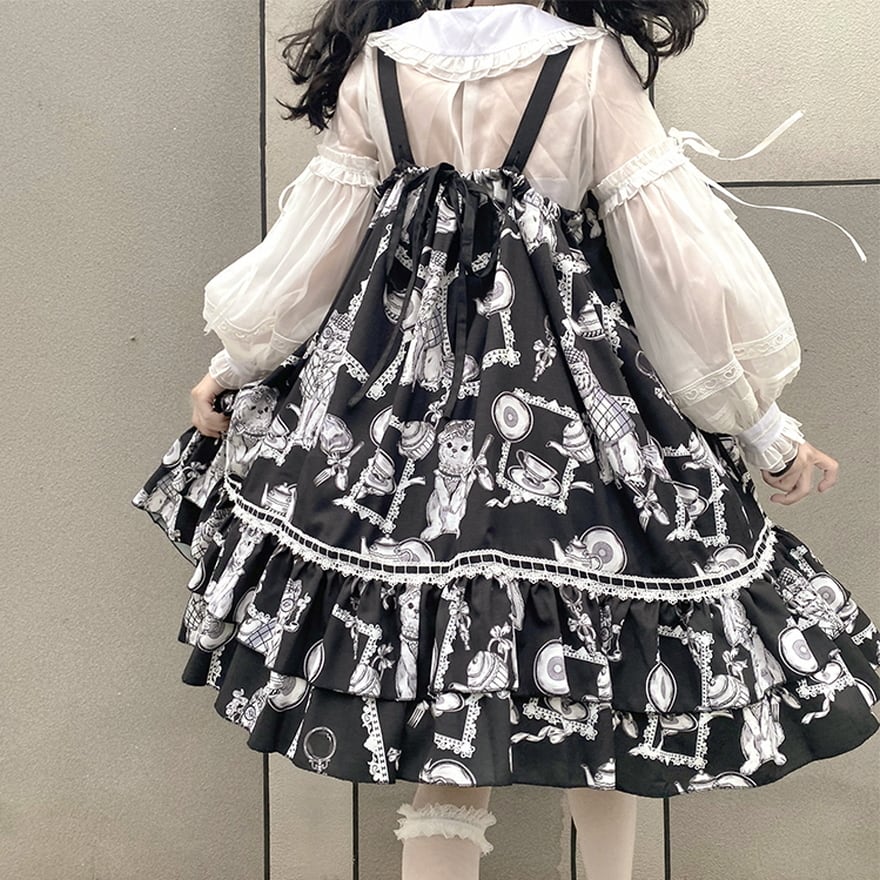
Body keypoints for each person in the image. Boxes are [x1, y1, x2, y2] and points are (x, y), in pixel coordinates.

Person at [132, 2, 880, 878]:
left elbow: (315, 252)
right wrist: (762, 427)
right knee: (609, 699)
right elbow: (675, 266)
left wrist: (236, 363)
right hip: (575, 413)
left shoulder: (382, 67)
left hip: (398, 430)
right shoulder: (585, 66)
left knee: (448, 713)